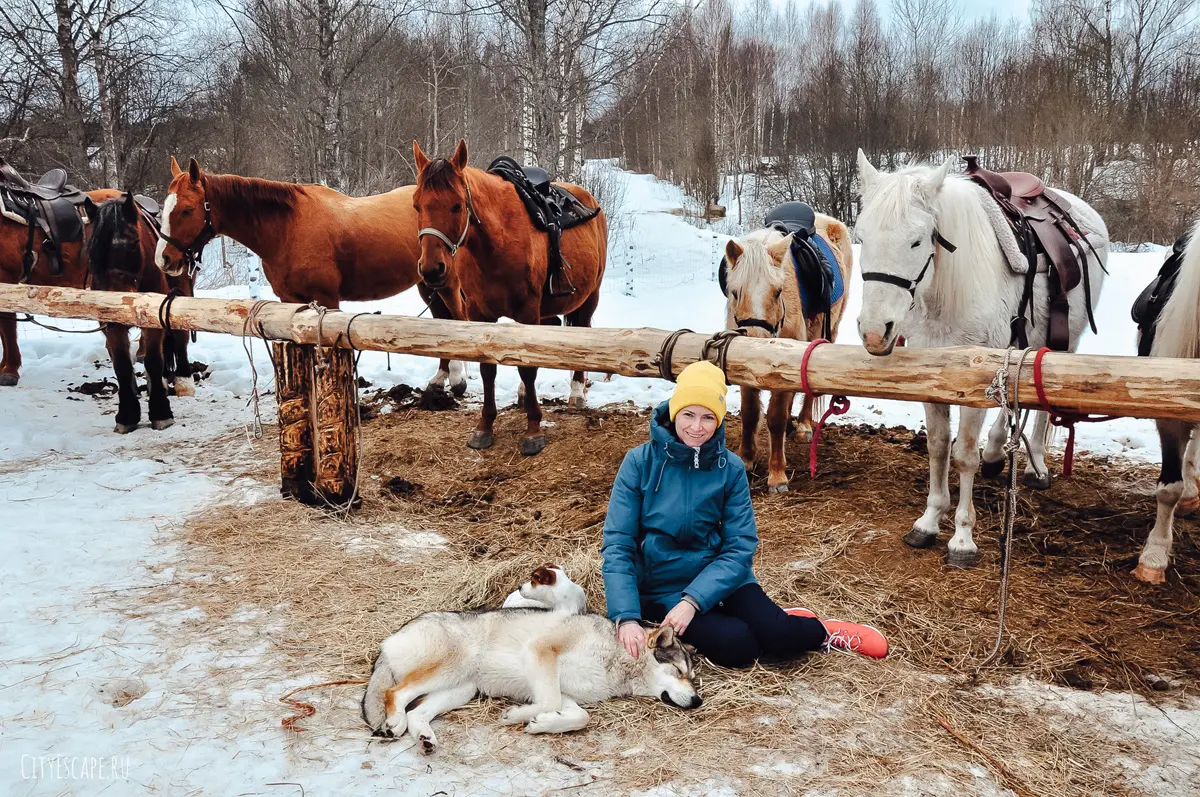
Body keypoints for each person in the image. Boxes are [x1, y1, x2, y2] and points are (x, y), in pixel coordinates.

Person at [601, 361, 888, 668]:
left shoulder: (731, 468)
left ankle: (820, 631)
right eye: (688, 414)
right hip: (663, 587)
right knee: (739, 648)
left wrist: (694, 602)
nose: (697, 427)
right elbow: (618, 543)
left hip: (723, 578)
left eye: (708, 417)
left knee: (779, 637)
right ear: (674, 412)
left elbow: (740, 545)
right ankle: (763, 622)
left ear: (720, 420)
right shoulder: (639, 462)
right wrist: (626, 616)